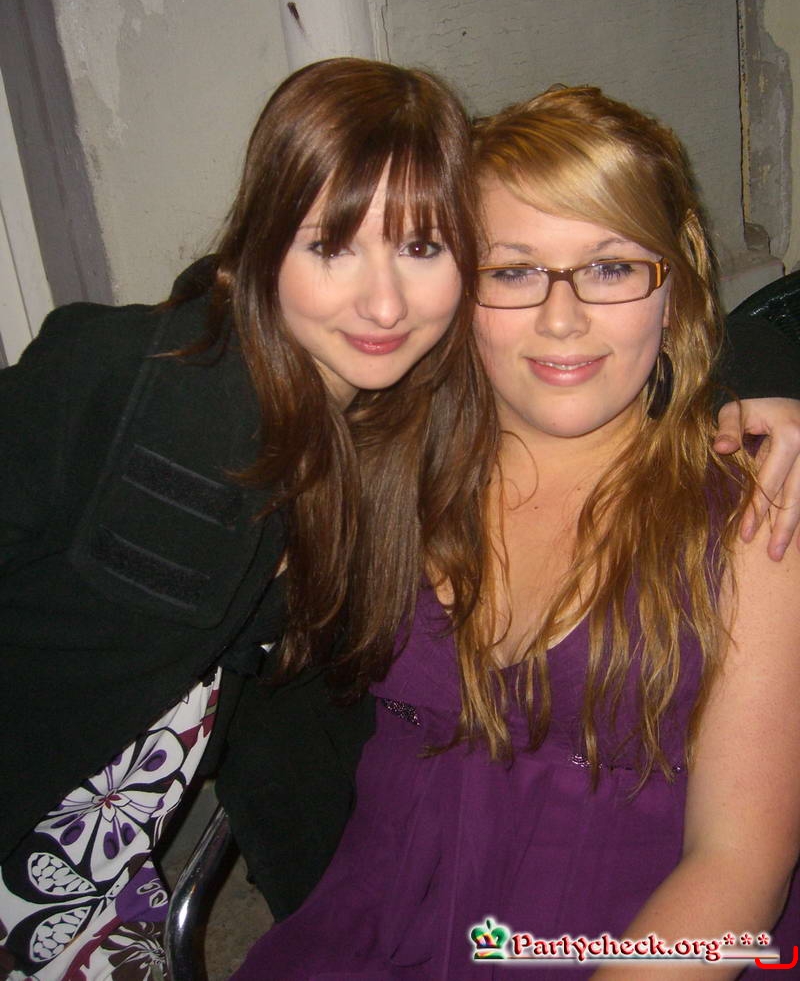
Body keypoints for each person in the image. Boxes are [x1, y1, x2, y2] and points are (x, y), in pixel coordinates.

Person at [231, 86, 800, 979]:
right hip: (380, 922)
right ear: (458, 290)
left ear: (674, 285)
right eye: (512, 271)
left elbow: (739, 865)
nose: (561, 318)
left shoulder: (754, 504)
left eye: (611, 267)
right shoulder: (385, 470)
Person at [0, 56, 485, 980]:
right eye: (332, 245)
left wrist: (743, 407)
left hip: (96, 876)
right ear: (262, 244)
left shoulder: (389, 432)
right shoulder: (131, 380)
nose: (385, 302)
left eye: (422, 248)